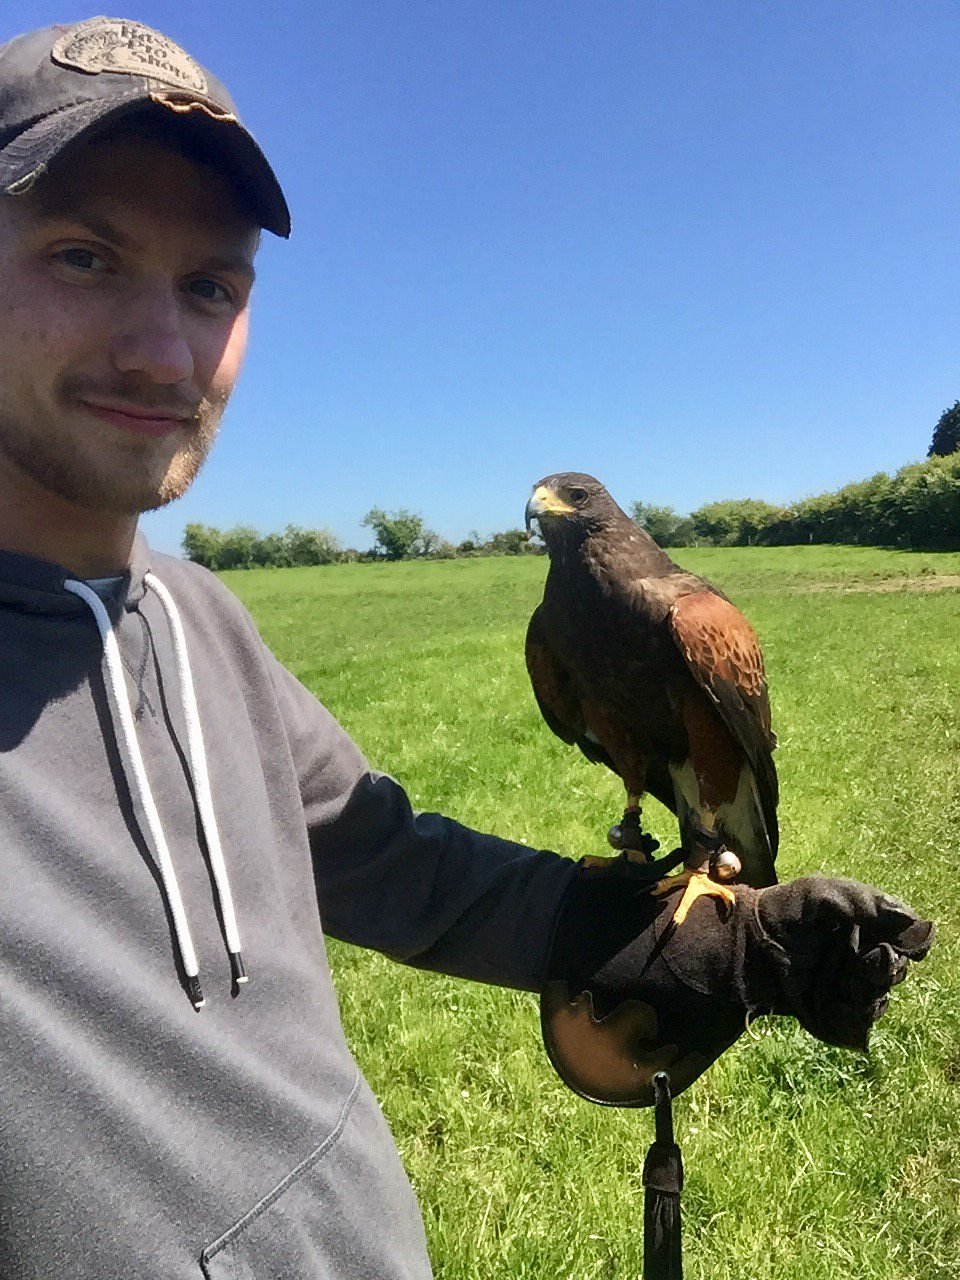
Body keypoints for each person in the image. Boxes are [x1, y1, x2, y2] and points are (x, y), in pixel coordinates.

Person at [0, 18, 933, 1280]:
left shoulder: (203, 619)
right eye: (83, 255)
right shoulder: (552, 627)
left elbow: (390, 862)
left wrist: (693, 938)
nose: (164, 350)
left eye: (212, 285)